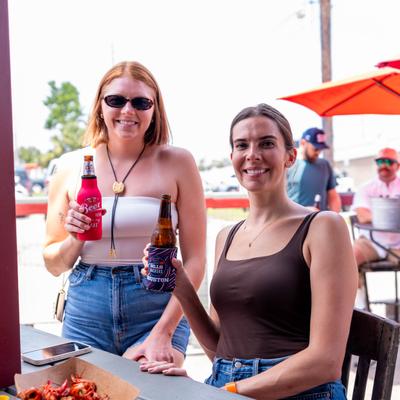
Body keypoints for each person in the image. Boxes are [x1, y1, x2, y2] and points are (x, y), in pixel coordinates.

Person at [140, 104, 358, 399]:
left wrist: (225, 393)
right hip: (229, 387)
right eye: (242, 145)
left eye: (267, 143)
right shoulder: (226, 237)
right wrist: (181, 287)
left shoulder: (322, 227)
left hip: (301, 392)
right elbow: (221, 349)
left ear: (290, 156)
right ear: (232, 158)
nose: (252, 154)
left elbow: (325, 363)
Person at [43, 61, 206, 367]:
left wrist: (164, 331)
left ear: (154, 109)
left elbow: (196, 261)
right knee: (86, 392)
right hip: (86, 306)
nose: (128, 111)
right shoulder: (69, 166)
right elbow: (53, 263)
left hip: (157, 306)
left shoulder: (179, 162)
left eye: (141, 102)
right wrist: (75, 238)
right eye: (116, 100)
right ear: (99, 107)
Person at [352, 147, 400, 267]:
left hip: (398, 243)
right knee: (348, 260)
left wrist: (377, 216)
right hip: (371, 241)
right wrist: (393, 217)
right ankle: (357, 286)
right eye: (380, 162)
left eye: (389, 162)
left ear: (398, 166)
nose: (384, 165)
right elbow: (362, 216)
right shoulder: (365, 188)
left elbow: (368, 215)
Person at [287, 127, 341, 212]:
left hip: (319, 221)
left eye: (320, 149)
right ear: (303, 143)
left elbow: (333, 196)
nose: (318, 152)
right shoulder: (288, 164)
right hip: (294, 220)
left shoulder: (324, 165)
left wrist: (335, 216)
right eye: (315, 148)